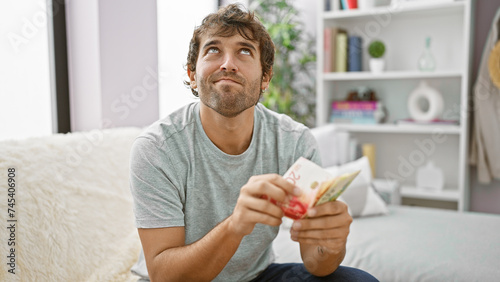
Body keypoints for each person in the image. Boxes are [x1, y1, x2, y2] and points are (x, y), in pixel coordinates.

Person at [129, 4, 378, 282]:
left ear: (265, 77)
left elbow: (316, 263)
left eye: (244, 51)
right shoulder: (156, 148)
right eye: (213, 50)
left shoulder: (294, 141)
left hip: (255, 277)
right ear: (192, 74)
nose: (227, 63)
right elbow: (165, 276)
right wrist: (236, 225)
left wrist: (331, 245)